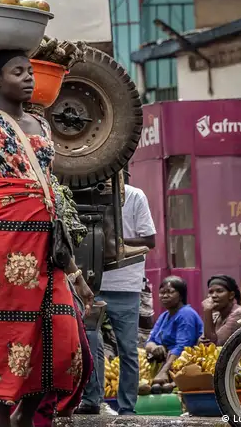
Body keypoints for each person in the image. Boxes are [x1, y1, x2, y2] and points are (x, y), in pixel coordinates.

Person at [0, 0, 94, 426]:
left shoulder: (42, 124)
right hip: (6, 237)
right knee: (5, 334)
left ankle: (25, 415)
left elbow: (50, 188)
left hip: (46, 237)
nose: (28, 78)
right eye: (18, 72)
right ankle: (4, 420)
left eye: (30, 72)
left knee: (61, 338)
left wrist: (74, 271)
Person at [78, 173, 156, 416]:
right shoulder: (87, 196)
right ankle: (92, 399)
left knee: (128, 350)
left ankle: (127, 407)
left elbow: (149, 239)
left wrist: (111, 242)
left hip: (125, 284)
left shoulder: (135, 196)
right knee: (90, 343)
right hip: (93, 283)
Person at [145, 276, 203, 384]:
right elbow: (149, 342)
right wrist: (154, 348)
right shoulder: (164, 316)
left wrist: (164, 372)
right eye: (162, 292)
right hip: (164, 362)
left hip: (183, 365)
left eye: (170, 292)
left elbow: (182, 347)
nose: (165, 296)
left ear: (180, 295)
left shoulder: (186, 314)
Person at [200, 275, 241, 346]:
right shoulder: (215, 315)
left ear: (231, 295)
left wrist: (207, 311)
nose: (213, 295)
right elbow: (201, 343)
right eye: (210, 292)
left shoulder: (239, 314)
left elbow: (214, 345)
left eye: (219, 291)